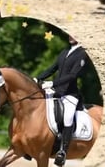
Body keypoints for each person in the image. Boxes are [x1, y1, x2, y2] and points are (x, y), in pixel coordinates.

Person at [33, 36, 94, 166]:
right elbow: (52, 69)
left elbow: (72, 76)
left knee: (67, 117)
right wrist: (36, 79)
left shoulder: (82, 53)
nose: (71, 36)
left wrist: (52, 83)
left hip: (70, 94)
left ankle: (62, 151)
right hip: (57, 92)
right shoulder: (64, 52)